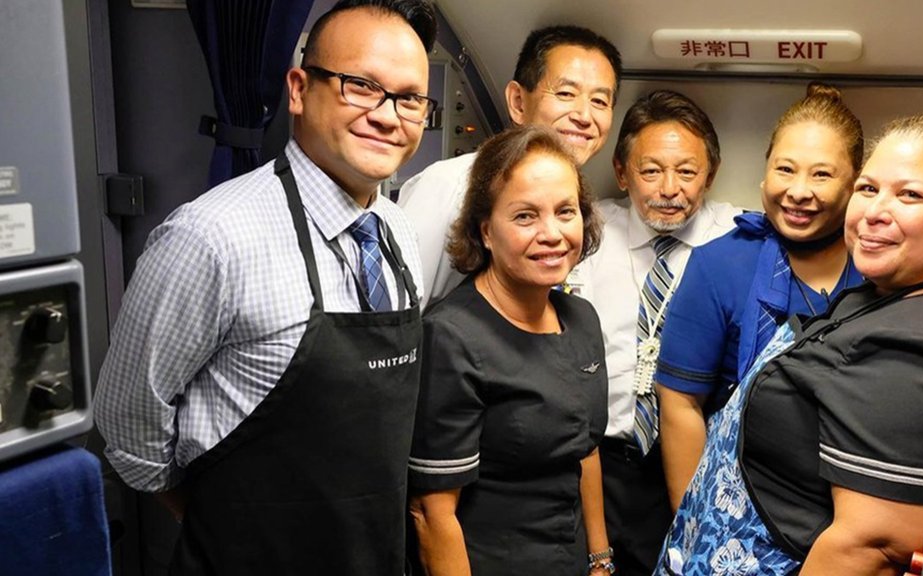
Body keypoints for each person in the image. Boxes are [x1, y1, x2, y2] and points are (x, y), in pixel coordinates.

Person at [93, 1, 435, 574]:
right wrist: (221, 524)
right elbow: (128, 424)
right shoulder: (210, 237)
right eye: (361, 86)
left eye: (409, 99)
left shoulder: (395, 230)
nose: (387, 115)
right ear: (298, 90)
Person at [655, 112, 923, 575]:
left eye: (910, 194)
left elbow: (870, 546)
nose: (874, 211)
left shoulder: (914, 349)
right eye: (869, 188)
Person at [407, 126, 610, 575]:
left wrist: (600, 561)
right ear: (485, 231)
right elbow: (431, 512)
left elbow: (586, 451)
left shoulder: (581, 319)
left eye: (566, 211)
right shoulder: (452, 337)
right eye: (525, 216)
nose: (552, 233)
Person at [656, 83, 866, 506]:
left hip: (853, 493)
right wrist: (694, 521)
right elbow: (680, 404)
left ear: (855, 185)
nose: (799, 191)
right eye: (785, 169)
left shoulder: (880, 269)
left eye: (822, 175)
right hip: (739, 498)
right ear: (765, 172)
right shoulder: (719, 265)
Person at [567, 89, 741, 575]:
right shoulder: (584, 235)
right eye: (650, 171)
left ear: (710, 174)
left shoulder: (738, 240)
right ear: (622, 172)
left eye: (687, 172)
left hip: (696, 464)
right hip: (599, 464)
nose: (669, 189)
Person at [399, 24, 621, 308]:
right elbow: (399, 312)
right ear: (518, 102)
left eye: (600, 101)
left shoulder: (578, 201)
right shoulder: (449, 185)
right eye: (566, 94)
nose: (584, 116)